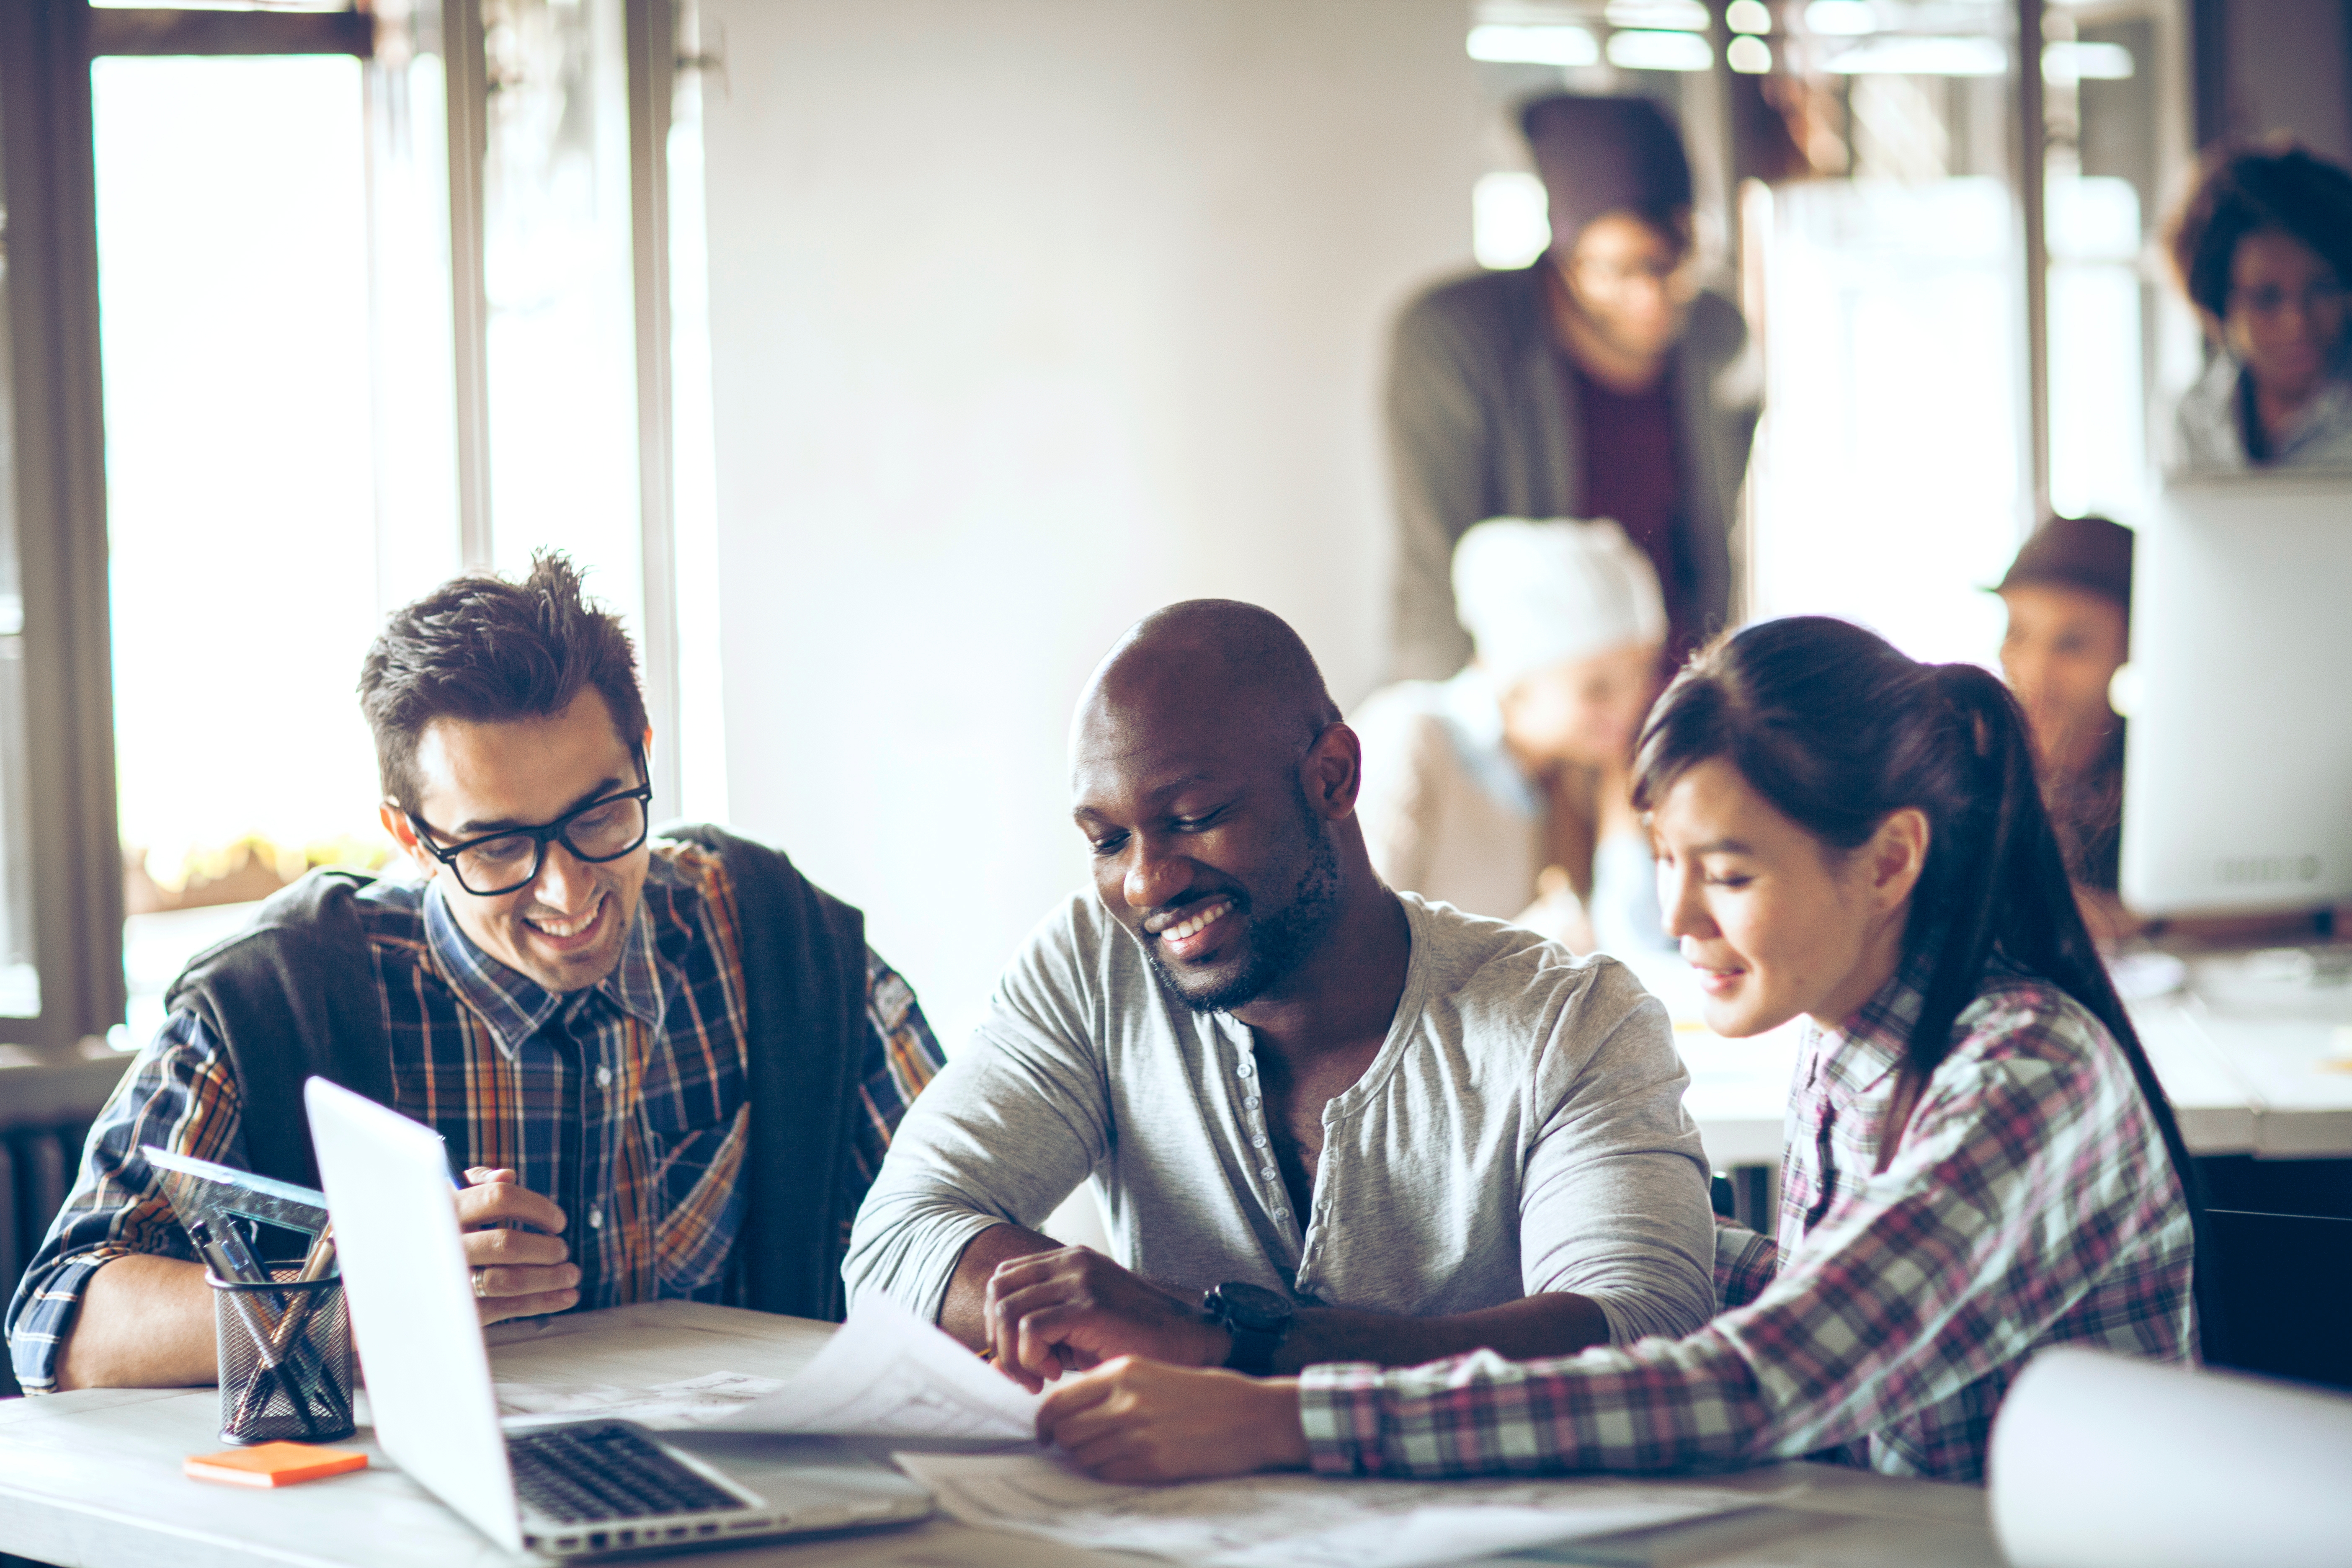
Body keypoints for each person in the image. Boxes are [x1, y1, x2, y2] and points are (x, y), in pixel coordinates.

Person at [1032, 616, 2200, 1486]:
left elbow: (1766, 1380)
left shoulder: (2023, 1078)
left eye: (1730, 874)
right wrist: (1542, 1203)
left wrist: (1277, 1411)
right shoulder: (1854, 1052)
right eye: (1668, 861)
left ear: (1891, 861)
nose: (1682, 921)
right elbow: (1821, 1284)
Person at [6, 554, 944, 1393]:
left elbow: (954, 1214)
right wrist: (351, 1304)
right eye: (498, 846)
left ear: (644, 757)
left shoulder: (780, 941)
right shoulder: (273, 996)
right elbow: (60, 1320)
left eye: (602, 814)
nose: (568, 889)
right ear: (410, 838)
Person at [844, 600, 1715, 1388]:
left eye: (1192, 818)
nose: (1145, 883)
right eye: (1108, 840)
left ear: (1333, 777)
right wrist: (1081, 1313)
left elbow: (1647, 1339)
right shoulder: (1092, 963)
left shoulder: (1573, 1019)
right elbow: (894, 1240)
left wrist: (1222, 1341)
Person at [1387, 93, 1760, 680]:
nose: (1651, 296)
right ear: (1561, 256)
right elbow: (1439, 568)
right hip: (1523, 700)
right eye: (1618, 269)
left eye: (1673, 261)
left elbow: (1716, 546)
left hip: (1670, 690)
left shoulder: (1715, 333)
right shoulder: (1455, 340)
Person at [1352, 517, 1671, 956]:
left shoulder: (1578, 773)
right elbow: (1356, 953)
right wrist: (1516, 950)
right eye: (1597, 688)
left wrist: (1620, 807)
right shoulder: (1411, 737)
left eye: (1644, 675)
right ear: (1515, 681)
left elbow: (1637, 951)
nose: (1630, 706)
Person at [1991, 514, 2136, 941]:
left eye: (2072, 645)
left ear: (2130, 647)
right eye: (2017, 633)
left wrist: (2134, 917)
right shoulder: (1966, 762)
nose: (2036, 672)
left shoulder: (2165, 771)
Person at [2166, 138, 2352, 471]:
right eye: (2267, 298)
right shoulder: (2192, 417)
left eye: (2323, 288)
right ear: (2219, 302)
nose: (2298, 322)